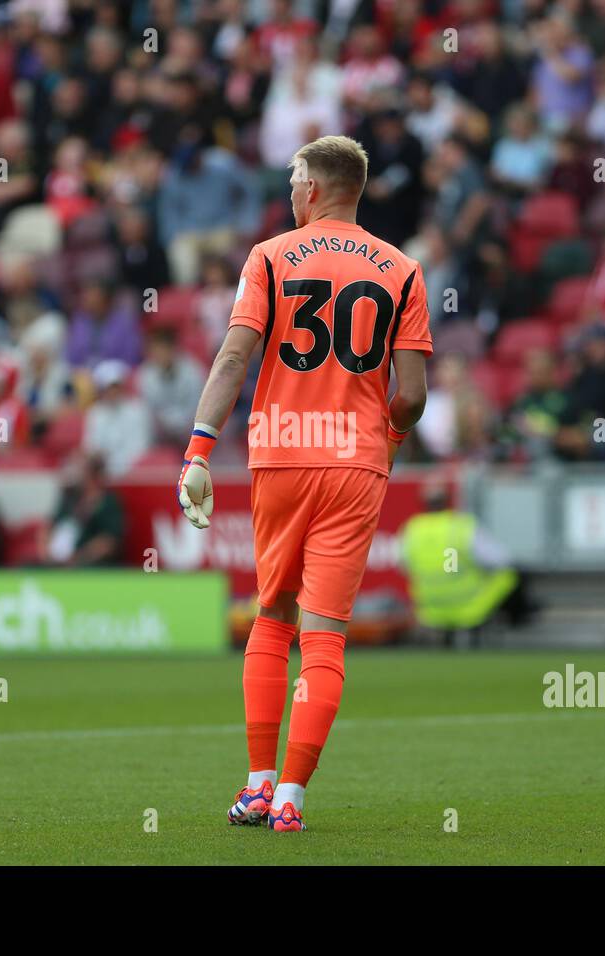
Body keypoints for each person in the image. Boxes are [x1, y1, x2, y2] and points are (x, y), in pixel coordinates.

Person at [176, 135, 432, 832]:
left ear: (314, 188)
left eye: (294, 179)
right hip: (356, 463)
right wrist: (391, 441)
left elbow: (234, 357)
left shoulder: (269, 256)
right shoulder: (403, 269)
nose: (290, 191)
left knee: (272, 616)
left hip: (282, 457)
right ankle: (292, 798)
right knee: (324, 638)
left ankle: (257, 785)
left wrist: (198, 450)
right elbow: (410, 394)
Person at [400, 481, 535, 643]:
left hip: (430, 605)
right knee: (511, 575)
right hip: (468, 603)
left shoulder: (413, 529)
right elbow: (502, 559)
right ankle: (519, 619)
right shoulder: (460, 526)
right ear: (448, 500)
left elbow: (403, 563)